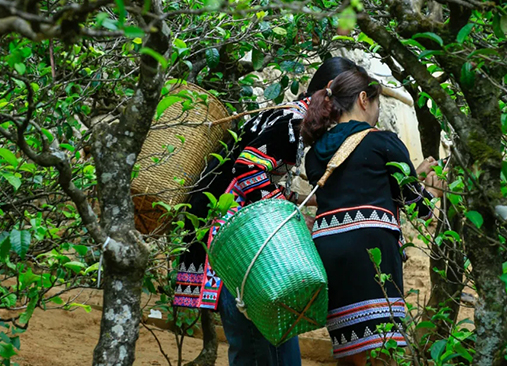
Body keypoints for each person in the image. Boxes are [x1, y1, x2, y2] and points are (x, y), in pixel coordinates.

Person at [173, 57, 368, 366]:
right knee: (267, 354)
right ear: (334, 91)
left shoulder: (287, 117)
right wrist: (284, 217)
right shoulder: (291, 123)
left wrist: (308, 201)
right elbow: (247, 168)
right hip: (246, 252)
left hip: (234, 249)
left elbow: (259, 175)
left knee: (255, 353)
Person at [301, 69, 445, 365]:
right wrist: (432, 191)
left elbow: (358, 188)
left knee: (349, 349)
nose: (378, 113)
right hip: (370, 250)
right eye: (378, 104)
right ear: (364, 99)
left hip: (328, 249)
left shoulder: (315, 154)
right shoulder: (383, 142)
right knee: (381, 347)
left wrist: (409, 177)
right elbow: (419, 207)